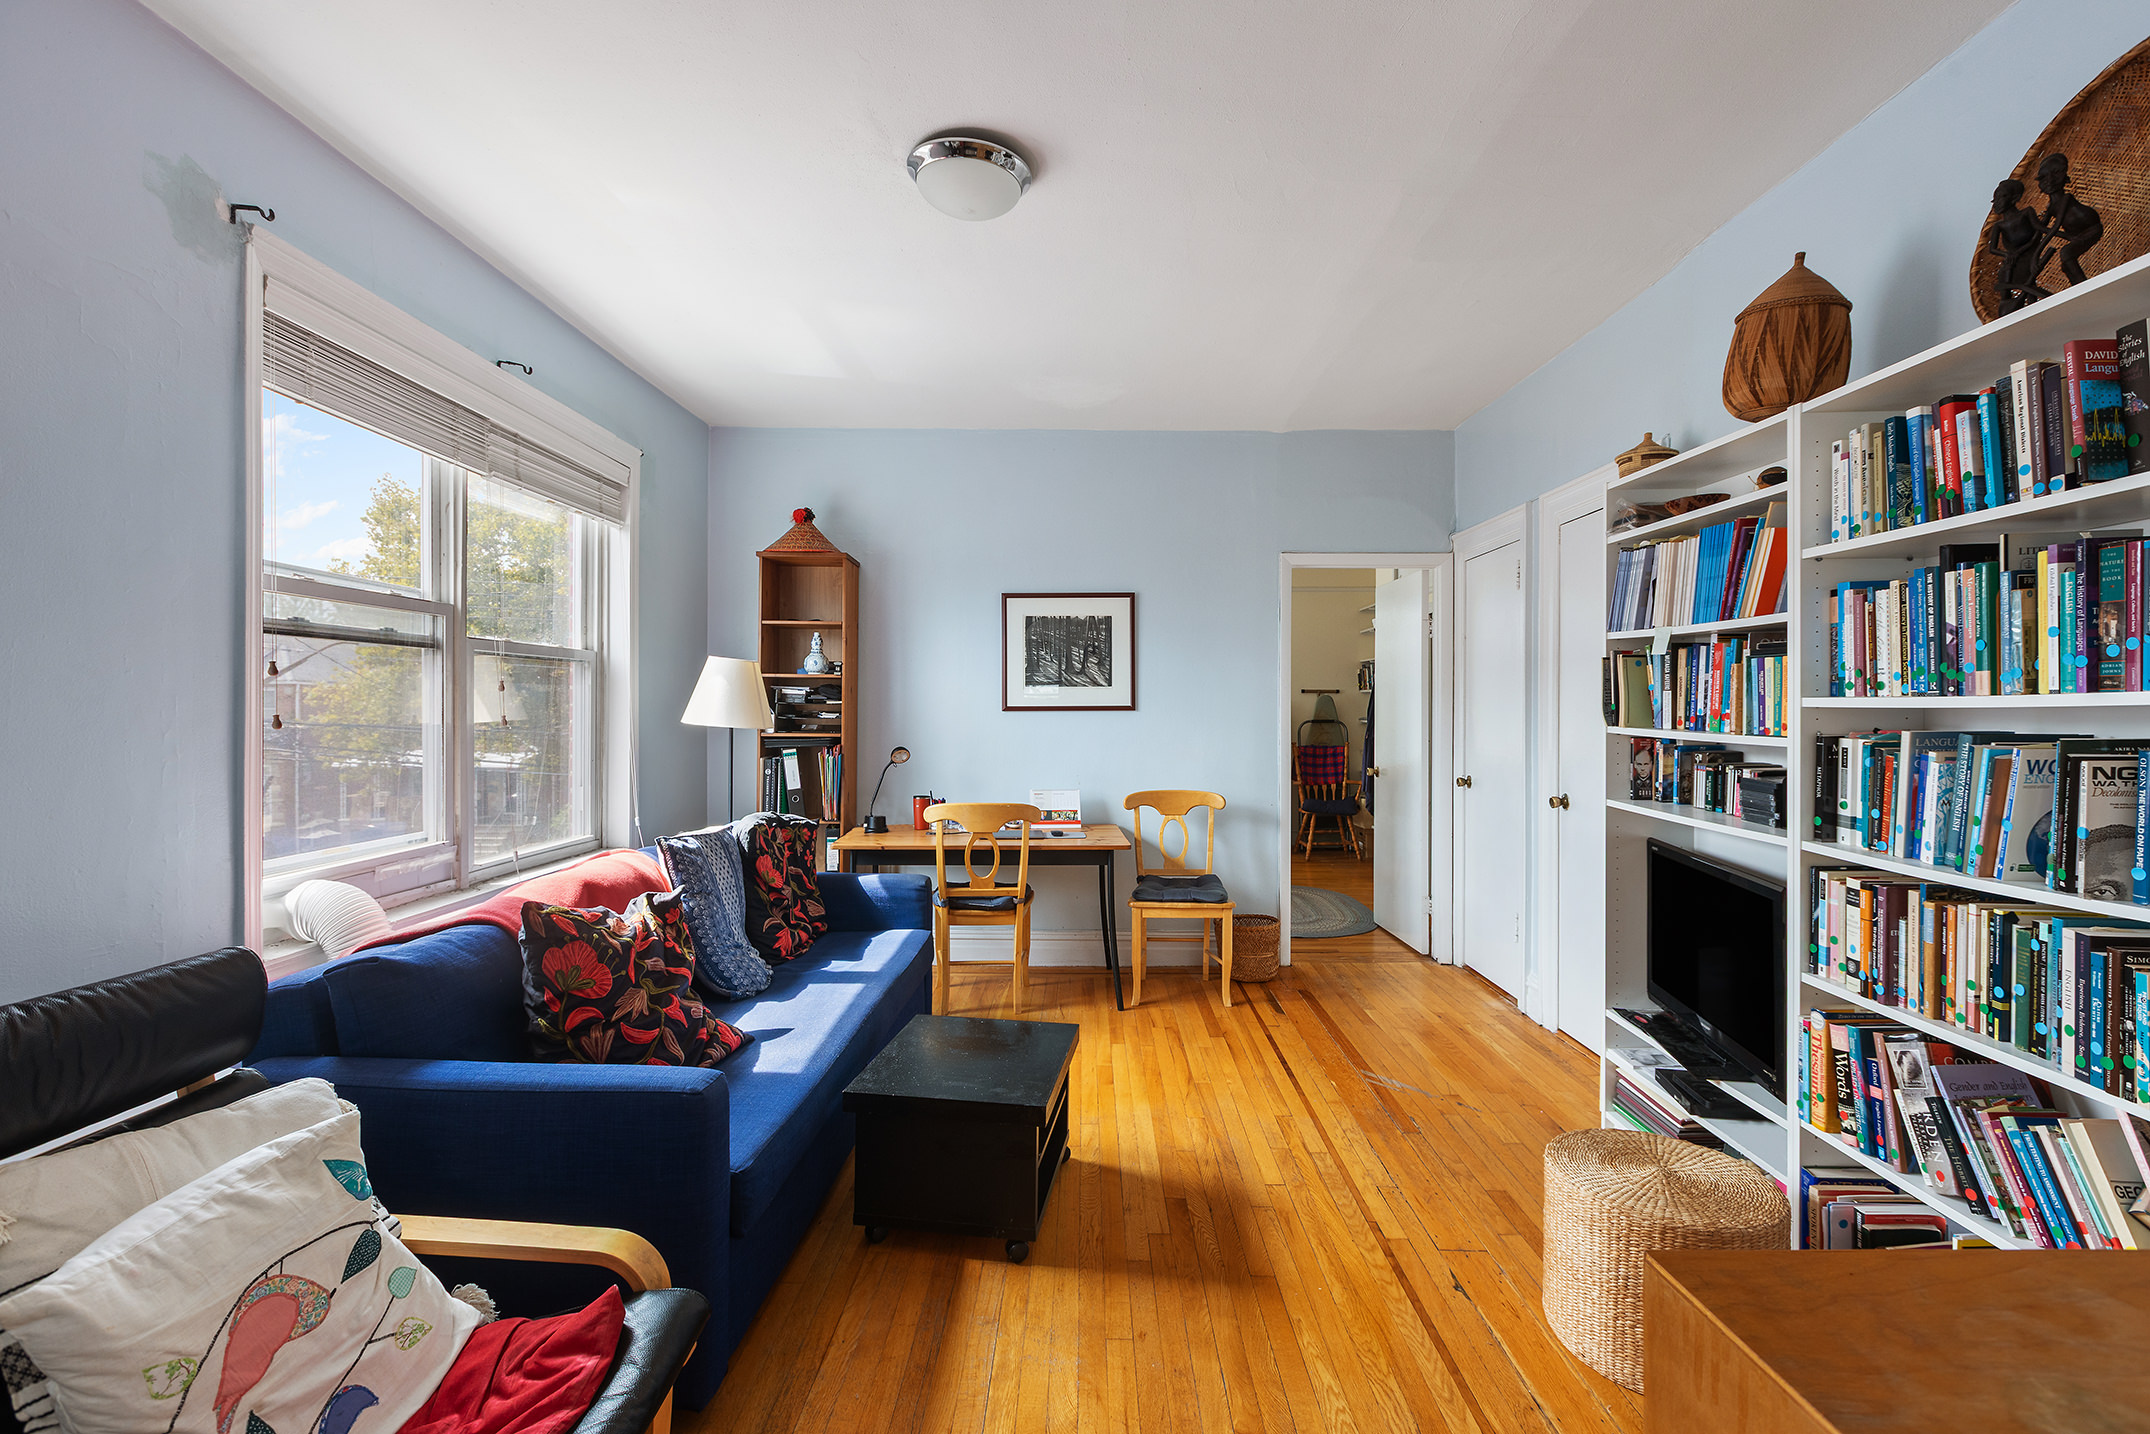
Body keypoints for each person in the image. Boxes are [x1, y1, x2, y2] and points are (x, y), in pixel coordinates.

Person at [2037, 153, 2103, 288]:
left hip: (2091, 230)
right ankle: (2077, 287)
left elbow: (2054, 228)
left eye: (2055, 174)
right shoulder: (2051, 207)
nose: (2049, 180)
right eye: (2043, 178)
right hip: (2078, 234)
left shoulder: (2066, 198)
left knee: (2066, 253)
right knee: (2067, 261)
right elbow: (2042, 228)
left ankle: (2083, 288)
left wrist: (2066, 236)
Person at [1986, 177, 2046, 314]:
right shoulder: (1999, 225)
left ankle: (2033, 307)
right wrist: (2008, 254)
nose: (1997, 203)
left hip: (2029, 255)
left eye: (2002, 197)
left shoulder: (2026, 213)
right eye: (1995, 199)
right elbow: (1992, 248)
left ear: (2014, 198)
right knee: (2004, 273)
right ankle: (2007, 307)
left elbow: (2039, 233)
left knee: (2027, 276)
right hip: (2012, 260)